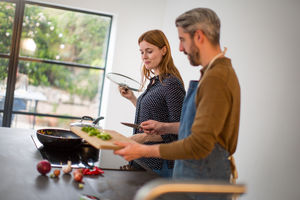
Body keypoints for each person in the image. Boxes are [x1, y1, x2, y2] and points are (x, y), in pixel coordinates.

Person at [114, 8, 240, 199]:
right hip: (194, 177)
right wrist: (163, 127)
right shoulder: (212, 73)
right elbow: (194, 128)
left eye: (182, 40)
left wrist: (144, 149)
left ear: (198, 36)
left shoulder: (217, 78)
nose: (180, 48)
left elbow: (199, 144)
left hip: (203, 182)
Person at [118, 30, 186, 177]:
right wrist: (132, 99)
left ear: (164, 50)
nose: (144, 57)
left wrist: (144, 137)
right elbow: (152, 115)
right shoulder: (156, 81)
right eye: (141, 52)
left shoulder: (171, 84)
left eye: (149, 51)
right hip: (143, 159)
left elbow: (180, 129)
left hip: (160, 164)